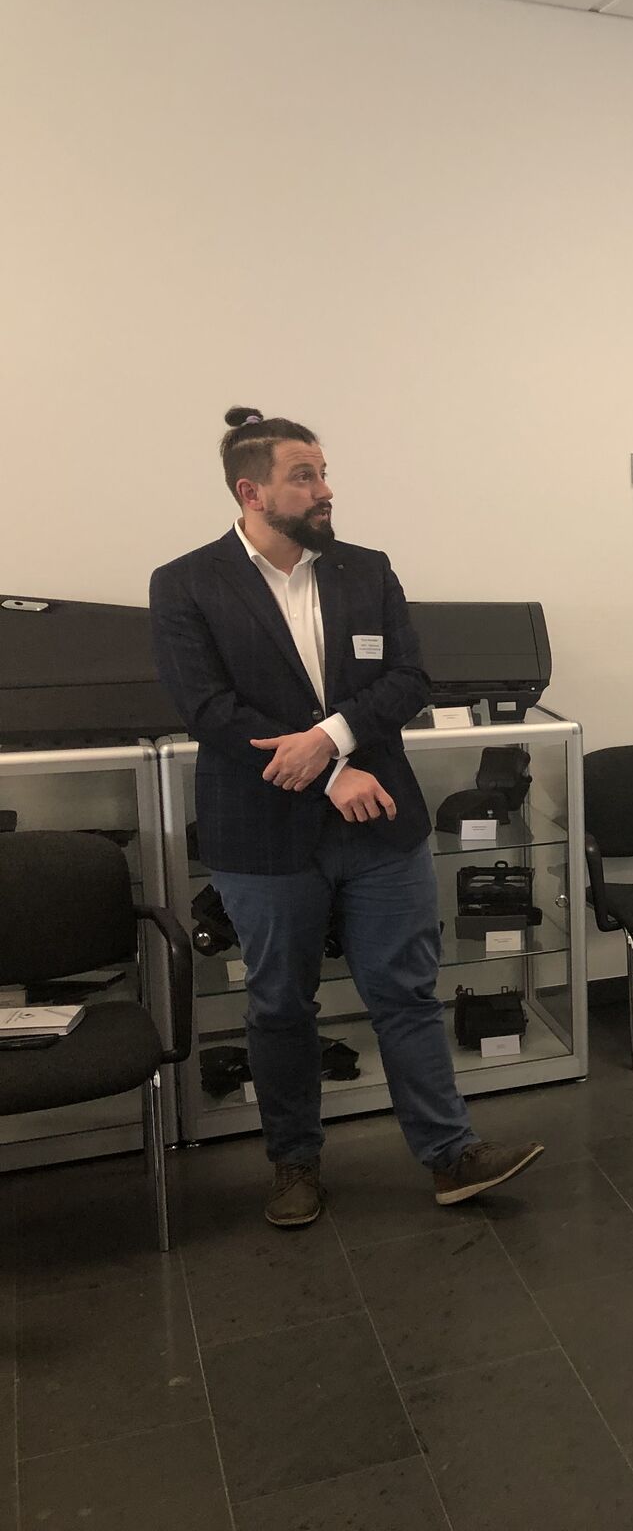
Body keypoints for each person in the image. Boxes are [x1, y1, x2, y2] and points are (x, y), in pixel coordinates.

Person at [150, 407, 542, 1228]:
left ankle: (450, 1154)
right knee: (279, 1005)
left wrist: (331, 739)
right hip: (263, 834)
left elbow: (408, 681)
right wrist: (330, 774)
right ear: (251, 492)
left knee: (405, 993)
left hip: (380, 825)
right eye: (305, 476)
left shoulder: (367, 571)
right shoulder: (185, 583)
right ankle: (294, 1165)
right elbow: (208, 710)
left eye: (324, 472)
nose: (325, 489)